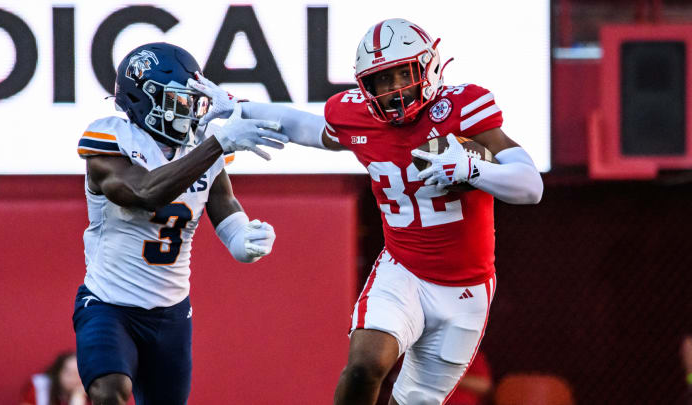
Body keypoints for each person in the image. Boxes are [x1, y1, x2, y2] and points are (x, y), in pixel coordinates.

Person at [190, 18, 543, 405]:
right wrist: (242, 108)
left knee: (416, 401)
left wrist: (473, 169)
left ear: (426, 65)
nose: (393, 91)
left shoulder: (463, 108)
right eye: (381, 81)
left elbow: (530, 186)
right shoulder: (357, 115)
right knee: (365, 363)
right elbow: (305, 127)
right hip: (403, 269)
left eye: (400, 75)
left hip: (466, 288)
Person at [72, 42, 287, 405]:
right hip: (109, 304)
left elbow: (222, 203)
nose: (188, 109)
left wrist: (242, 237)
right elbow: (144, 191)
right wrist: (216, 144)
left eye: (190, 99)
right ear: (145, 100)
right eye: (177, 99)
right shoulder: (112, 140)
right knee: (109, 392)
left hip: (172, 314)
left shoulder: (202, 145)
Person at [20, 351, 89, 405]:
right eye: (69, 373)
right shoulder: (40, 388)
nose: (74, 379)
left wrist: (78, 397)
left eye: (79, 374)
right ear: (58, 373)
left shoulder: (93, 394)